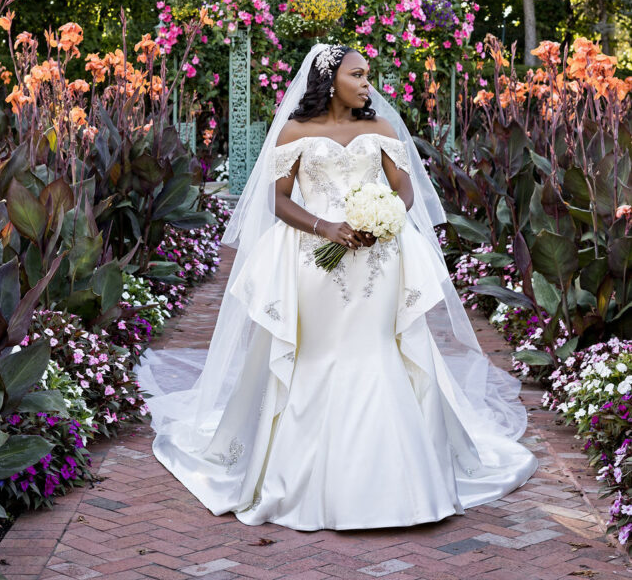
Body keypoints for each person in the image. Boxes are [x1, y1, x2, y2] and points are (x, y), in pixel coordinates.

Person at [136, 43, 538, 532]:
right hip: (315, 261)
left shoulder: (380, 129)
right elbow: (278, 200)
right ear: (330, 81)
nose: (368, 83)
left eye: (368, 75)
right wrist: (324, 227)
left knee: (378, 350)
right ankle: (305, 482)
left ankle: (401, 484)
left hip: (378, 262)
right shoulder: (295, 132)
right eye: (358, 75)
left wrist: (391, 215)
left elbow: (406, 187)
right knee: (320, 354)